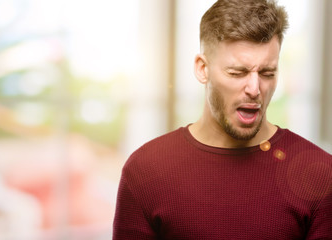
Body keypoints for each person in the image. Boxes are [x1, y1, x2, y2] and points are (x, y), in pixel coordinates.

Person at [113, 0, 332, 239]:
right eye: (237, 73)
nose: (254, 88)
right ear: (202, 68)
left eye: (267, 73)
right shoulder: (145, 171)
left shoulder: (321, 175)